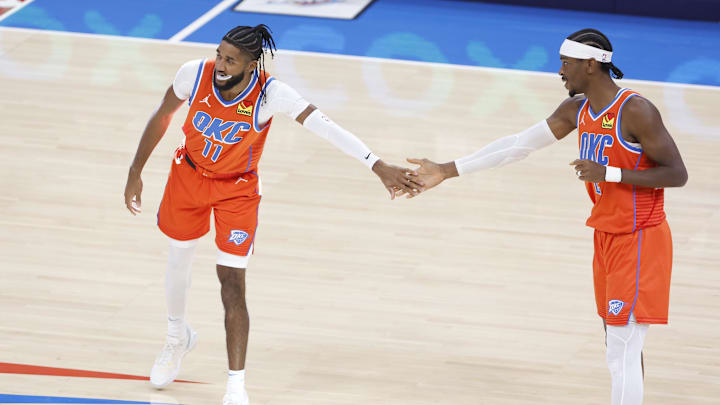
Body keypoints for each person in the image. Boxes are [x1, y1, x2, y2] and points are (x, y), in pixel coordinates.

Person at [123, 24, 422, 405]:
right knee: (178, 257)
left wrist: (376, 164)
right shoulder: (192, 74)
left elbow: (327, 128)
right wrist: (135, 171)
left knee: (231, 281)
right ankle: (175, 337)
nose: (220, 64)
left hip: (237, 190)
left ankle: (235, 386)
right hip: (188, 176)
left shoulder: (271, 93)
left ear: (251, 65)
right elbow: (162, 116)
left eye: (231, 59)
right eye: (219, 53)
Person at [404, 28, 687, 405]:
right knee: (620, 346)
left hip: (640, 236)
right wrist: (446, 169)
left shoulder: (636, 110)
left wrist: (610, 174)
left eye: (565, 63)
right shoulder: (577, 110)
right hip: (606, 233)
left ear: (590, 64)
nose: (560, 71)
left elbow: (676, 173)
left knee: (622, 347)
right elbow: (517, 146)